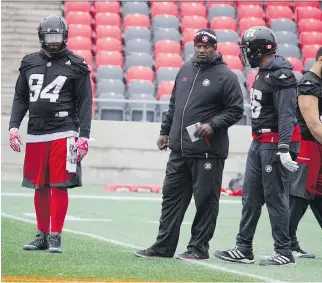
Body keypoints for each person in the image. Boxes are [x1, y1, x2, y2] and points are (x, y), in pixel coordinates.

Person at [135, 28, 244, 260]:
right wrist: (165, 131)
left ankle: (198, 248)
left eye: (207, 46)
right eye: (198, 46)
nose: (202, 50)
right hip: (179, 150)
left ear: (215, 48)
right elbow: (174, 105)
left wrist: (213, 124)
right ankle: (163, 247)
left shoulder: (226, 76)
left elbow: (236, 110)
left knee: (205, 201)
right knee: (171, 198)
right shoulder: (185, 70)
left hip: (207, 152)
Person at [215, 26, 301, 266]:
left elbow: (287, 115)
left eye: (247, 49)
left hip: (275, 143)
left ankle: (284, 251)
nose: (244, 53)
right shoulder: (264, 72)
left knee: (275, 197)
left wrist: (284, 147)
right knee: (251, 197)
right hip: (260, 141)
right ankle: (243, 247)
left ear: (257, 49)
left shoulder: (281, 75)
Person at [8, 15, 92, 253]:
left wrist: (83, 135)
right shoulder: (29, 62)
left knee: (59, 184)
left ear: (65, 36)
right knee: (39, 185)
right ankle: (42, 234)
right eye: (49, 36)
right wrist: (13, 126)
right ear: (41, 37)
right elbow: (21, 97)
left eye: (57, 36)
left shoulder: (76, 64)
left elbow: (85, 103)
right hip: (35, 130)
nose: (53, 42)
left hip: (64, 130)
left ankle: (56, 235)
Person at [289, 46, 322, 259]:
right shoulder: (309, 83)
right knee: (300, 194)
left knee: (317, 194)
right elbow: (312, 123)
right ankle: (287, 243)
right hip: (308, 144)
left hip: (317, 144)